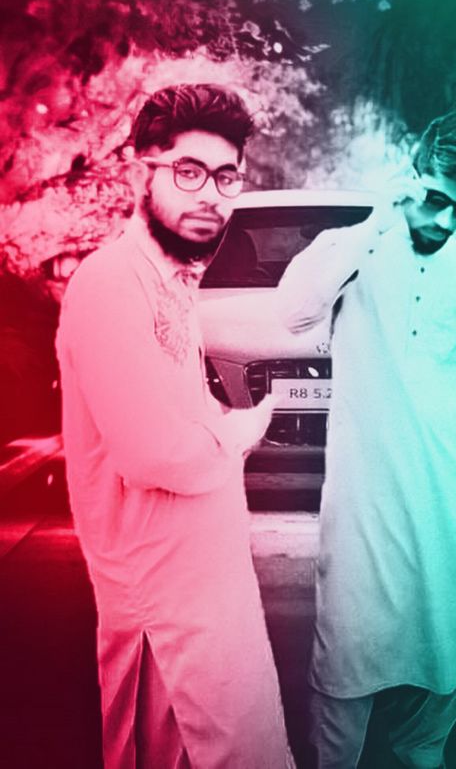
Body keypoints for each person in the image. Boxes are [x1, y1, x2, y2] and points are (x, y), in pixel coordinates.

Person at [277, 111, 456, 768]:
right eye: (435, 199)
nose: (445, 221)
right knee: (344, 673)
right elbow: (293, 311)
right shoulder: (356, 249)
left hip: (442, 513)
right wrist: (374, 223)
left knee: (440, 671)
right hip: (362, 512)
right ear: (412, 176)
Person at [56, 84, 294, 769]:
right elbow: (153, 452)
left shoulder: (176, 283)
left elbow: (178, 415)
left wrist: (218, 424)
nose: (210, 195)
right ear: (143, 171)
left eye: (226, 176)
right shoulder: (110, 284)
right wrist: (242, 429)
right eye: (189, 171)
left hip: (206, 595)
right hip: (159, 612)